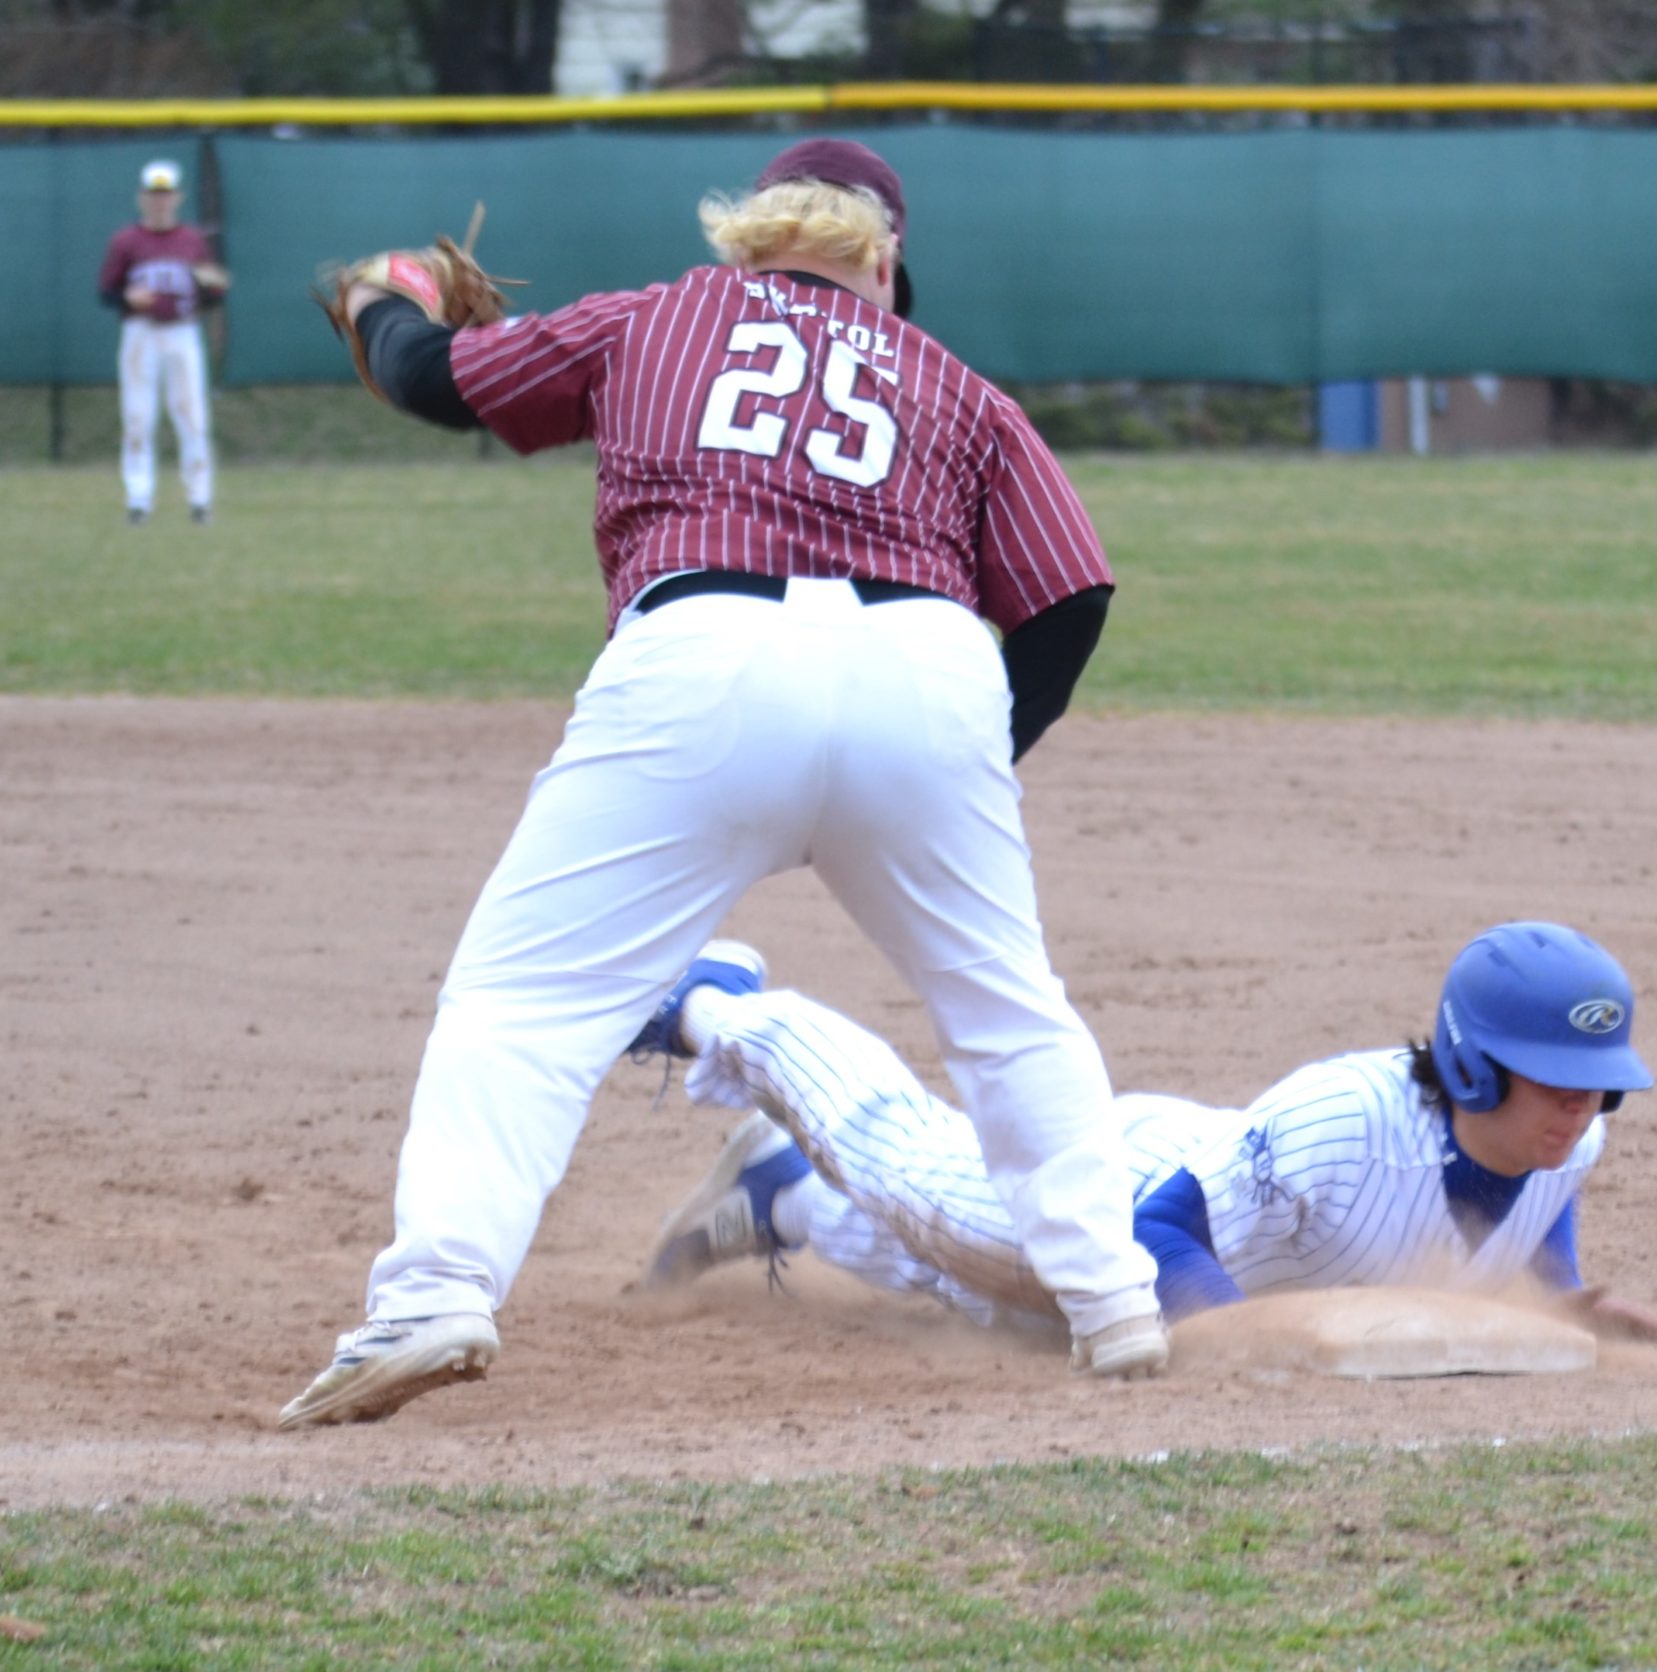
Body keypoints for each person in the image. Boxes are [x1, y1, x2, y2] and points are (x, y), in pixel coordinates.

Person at [279, 139, 1165, 1431]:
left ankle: (435, 1296)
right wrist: (962, 769)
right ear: (885, 264)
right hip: (927, 669)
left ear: (752, 232)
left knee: (528, 1001)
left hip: (704, 653)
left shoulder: (656, 315)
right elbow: (1069, 597)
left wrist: (384, 299)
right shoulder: (959, 385)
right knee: (1007, 1009)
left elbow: (431, 379)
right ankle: (1113, 1301)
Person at [634, 924, 1657, 1345]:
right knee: (905, 1157)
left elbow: (1539, 1209)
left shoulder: (1566, 1145)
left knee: (966, 1291)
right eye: (1557, 1080)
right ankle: (713, 1003)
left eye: (1599, 1087)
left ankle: (784, 1193)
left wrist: (1564, 1299)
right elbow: (1156, 1230)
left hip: (1228, 1190)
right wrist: (1238, 1343)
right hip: (1122, 1192)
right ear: (1472, 1065)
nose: (1580, 1109)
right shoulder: (1347, 1120)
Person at [96, 159, 226, 525]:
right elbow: (105, 292)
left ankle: (200, 499)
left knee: (192, 416)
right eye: (154, 194)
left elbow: (214, 291)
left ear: (177, 197)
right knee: (138, 416)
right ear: (142, 197)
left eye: (166, 193)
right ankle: (139, 499)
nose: (160, 201)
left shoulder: (192, 240)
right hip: (141, 332)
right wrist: (126, 297)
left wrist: (212, 286)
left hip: (183, 331)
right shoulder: (126, 241)